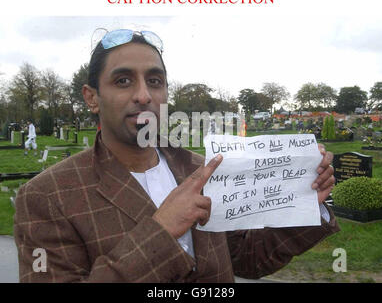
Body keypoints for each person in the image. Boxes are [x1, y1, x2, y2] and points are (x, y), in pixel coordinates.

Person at [14, 29, 339, 283]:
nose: (143, 95)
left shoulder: (200, 170)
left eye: (154, 81)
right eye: (123, 80)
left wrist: (308, 201)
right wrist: (161, 231)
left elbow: (246, 259)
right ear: (92, 98)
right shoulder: (47, 196)